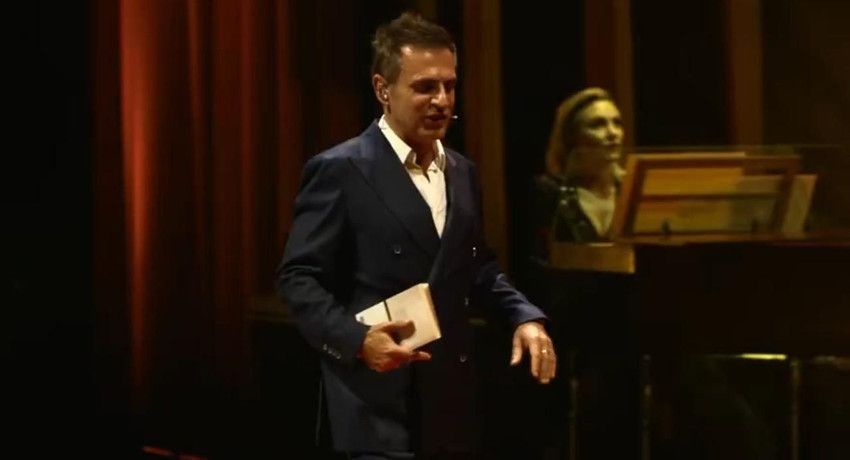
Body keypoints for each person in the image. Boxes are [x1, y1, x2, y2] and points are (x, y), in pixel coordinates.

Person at [276, 12, 556, 459]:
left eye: (449, 86)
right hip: (376, 410)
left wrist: (524, 316)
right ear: (383, 90)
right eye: (425, 87)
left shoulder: (462, 172)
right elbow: (298, 279)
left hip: (450, 409)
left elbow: (477, 266)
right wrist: (357, 341)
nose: (441, 100)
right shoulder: (341, 169)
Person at [527, 88, 638, 459]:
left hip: (637, 321)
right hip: (578, 326)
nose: (612, 133)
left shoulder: (635, 188)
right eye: (598, 124)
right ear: (573, 138)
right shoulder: (552, 194)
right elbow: (540, 270)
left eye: (616, 123)